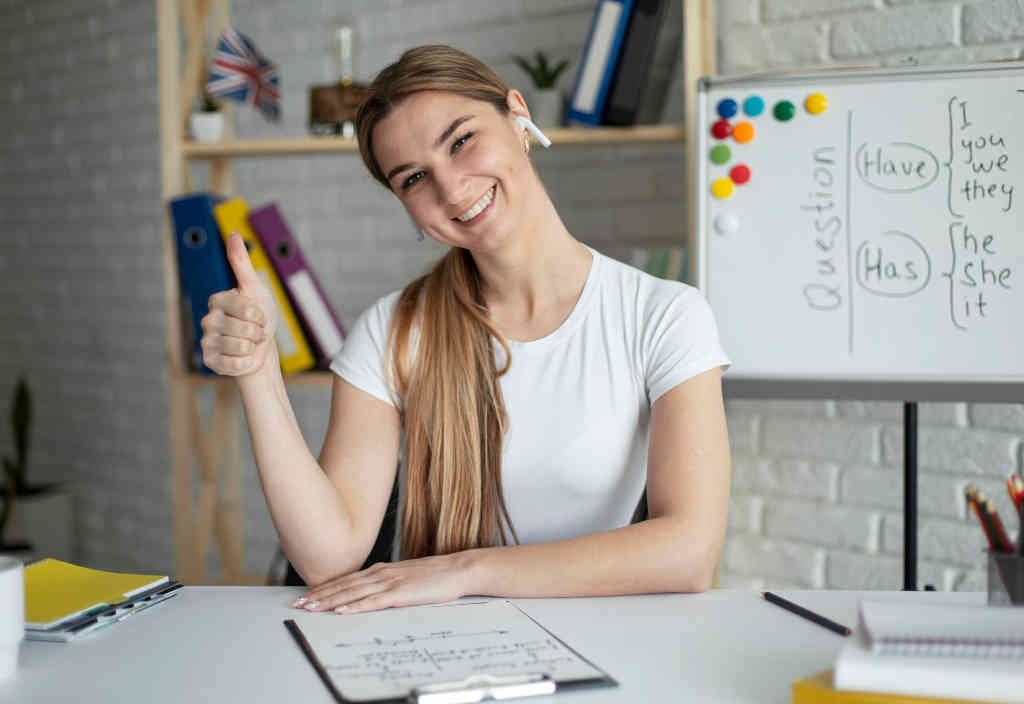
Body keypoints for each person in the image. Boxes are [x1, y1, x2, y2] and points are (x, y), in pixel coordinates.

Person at [200, 45, 731, 615]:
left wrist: (468, 570)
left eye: (461, 141)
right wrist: (258, 372)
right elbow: (329, 558)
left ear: (518, 116)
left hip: (595, 644)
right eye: (414, 178)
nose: (451, 190)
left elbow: (690, 551)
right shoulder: (392, 331)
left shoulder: (664, 315)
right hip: (438, 648)